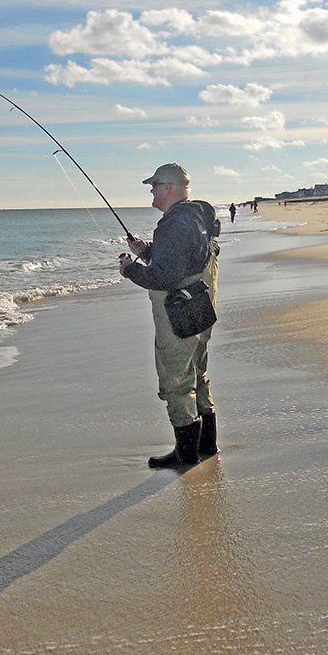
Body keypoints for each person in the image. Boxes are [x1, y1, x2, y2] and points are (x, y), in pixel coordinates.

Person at [118, 163, 221, 469]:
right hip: (200, 307)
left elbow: (163, 276)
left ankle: (186, 454)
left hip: (179, 312)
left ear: (169, 188)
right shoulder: (197, 217)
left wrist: (130, 269)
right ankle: (207, 445)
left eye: (154, 186)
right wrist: (147, 251)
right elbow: (184, 261)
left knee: (176, 379)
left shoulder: (174, 224)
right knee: (198, 371)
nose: (151, 191)